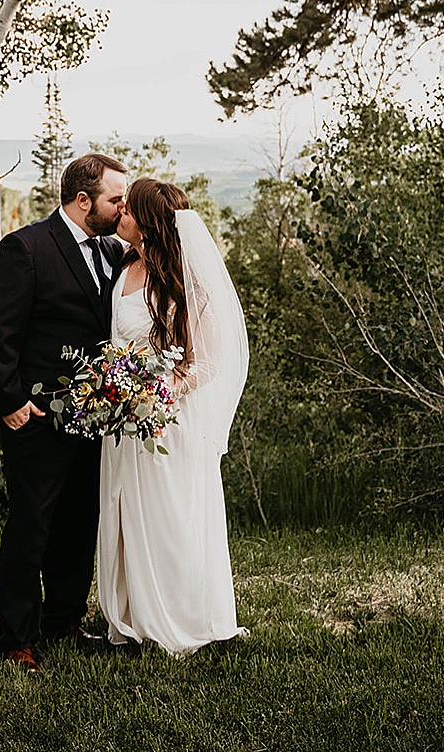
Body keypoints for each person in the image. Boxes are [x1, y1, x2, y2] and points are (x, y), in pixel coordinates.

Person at [0, 153, 128, 672]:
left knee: (79, 523)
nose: (121, 207)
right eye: (114, 199)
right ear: (83, 201)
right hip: (36, 416)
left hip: (92, 417)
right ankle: (16, 637)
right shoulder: (26, 248)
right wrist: (11, 402)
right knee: (31, 526)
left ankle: (65, 619)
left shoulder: (111, 251)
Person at [98, 177, 249, 656]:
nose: (119, 212)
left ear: (145, 221)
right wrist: (115, 390)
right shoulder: (124, 267)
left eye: (127, 208)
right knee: (124, 514)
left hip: (167, 421)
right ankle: (130, 619)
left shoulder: (186, 282)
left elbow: (206, 362)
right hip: (123, 420)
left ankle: (179, 619)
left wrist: (157, 393)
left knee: (168, 517)